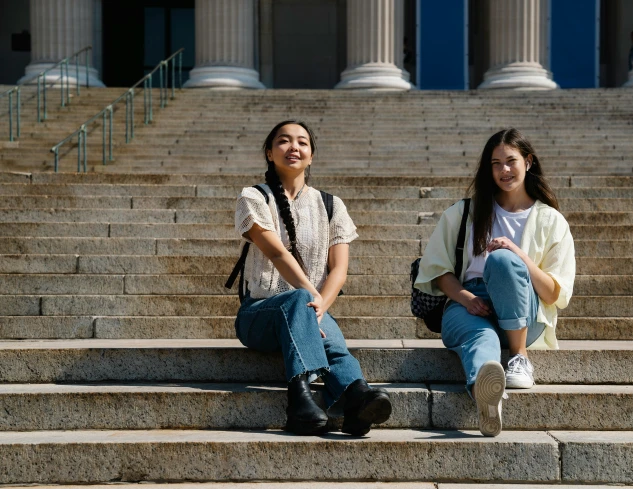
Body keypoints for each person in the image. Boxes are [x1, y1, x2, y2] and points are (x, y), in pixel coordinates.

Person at [234, 120, 392, 436]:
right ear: (269, 152)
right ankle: (303, 397)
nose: (294, 147)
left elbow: (339, 270)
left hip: (309, 310)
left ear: (311, 155)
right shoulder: (254, 197)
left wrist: (319, 309)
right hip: (257, 315)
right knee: (299, 301)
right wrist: (312, 298)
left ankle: (353, 400)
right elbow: (278, 255)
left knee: (319, 325)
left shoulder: (332, 205)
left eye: (302, 142)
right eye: (284, 141)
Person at [414, 129, 575, 437]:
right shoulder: (463, 213)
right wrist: (465, 298)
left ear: (528, 162)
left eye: (511, 161)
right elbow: (437, 270)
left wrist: (519, 255)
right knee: (482, 341)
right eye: (496, 163)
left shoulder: (551, 220)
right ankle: (485, 397)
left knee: (502, 261)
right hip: (468, 303)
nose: (504, 170)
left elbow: (554, 293)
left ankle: (519, 357)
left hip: (524, 309)